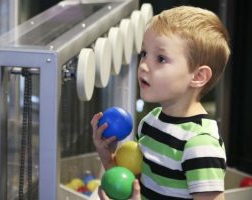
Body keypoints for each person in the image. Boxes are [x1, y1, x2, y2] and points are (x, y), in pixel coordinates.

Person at [91, 5, 230, 200]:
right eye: (144, 53)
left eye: (161, 58)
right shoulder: (151, 122)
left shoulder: (200, 144)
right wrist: (107, 158)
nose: (144, 65)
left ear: (198, 76)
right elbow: (138, 187)